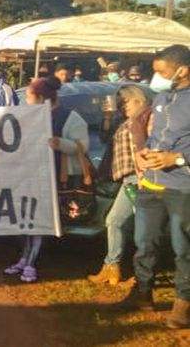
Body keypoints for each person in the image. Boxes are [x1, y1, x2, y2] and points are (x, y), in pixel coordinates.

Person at [116, 45, 190, 329]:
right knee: (144, 241)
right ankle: (142, 294)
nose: (155, 76)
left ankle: (183, 304)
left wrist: (178, 158)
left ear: (181, 70)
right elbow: (156, 135)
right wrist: (143, 152)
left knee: (183, 247)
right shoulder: (161, 97)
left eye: (161, 71)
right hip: (151, 184)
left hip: (182, 187)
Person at [4, 77, 89, 282]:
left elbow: (82, 146)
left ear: (41, 98)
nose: (26, 101)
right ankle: (24, 258)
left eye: (30, 97)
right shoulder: (30, 116)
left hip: (54, 177)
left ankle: (32, 263)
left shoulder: (70, 117)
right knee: (24, 219)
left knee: (39, 221)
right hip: (30, 175)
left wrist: (59, 143)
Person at [87, 85, 151, 286]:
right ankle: (111, 267)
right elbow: (106, 139)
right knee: (114, 221)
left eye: (125, 101)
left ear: (138, 99)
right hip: (128, 179)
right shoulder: (123, 121)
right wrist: (107, 116)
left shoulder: (148, 117)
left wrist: (145, 175)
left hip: (142, 179)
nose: (123, 107)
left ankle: (141, 276)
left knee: (143, 229)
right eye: (120, 103)